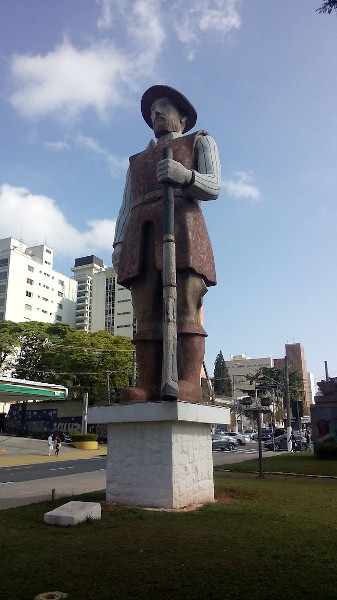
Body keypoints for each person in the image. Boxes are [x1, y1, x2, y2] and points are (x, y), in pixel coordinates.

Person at [112, 85, 221, 404]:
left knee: (186, 302)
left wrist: (184, 176)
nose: (155, 112)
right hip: (142, 232)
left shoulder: (199, 140)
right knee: (145, 308)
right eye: (152, 109)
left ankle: (188, 381)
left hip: (183, 226)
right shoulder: (137, 160)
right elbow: (126, 205)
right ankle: (147, 383)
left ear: (182, 117)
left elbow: (213, 186)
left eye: (164, 106)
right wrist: (120, 242)